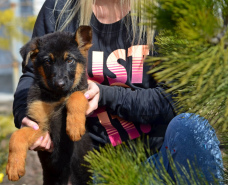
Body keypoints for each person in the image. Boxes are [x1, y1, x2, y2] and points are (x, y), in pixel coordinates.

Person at [13, 0, 224, 183]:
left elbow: (173, 100)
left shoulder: (162, 14)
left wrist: (106, 95)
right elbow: (32, 74)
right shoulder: (61, 8)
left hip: (157, 162)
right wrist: (26, 116)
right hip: (94, 170)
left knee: (192, 127)